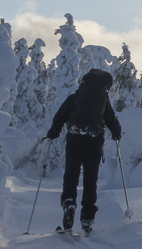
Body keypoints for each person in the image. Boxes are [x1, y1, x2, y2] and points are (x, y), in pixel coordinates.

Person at [45, 69, 122, 234]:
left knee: (71, 176)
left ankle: (69, 204)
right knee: (90, 180)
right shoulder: (103, 100)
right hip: (94, 141)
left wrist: (53, 132)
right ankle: (87, 218)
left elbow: (60, 116)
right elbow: (112, 120)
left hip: (75, 139)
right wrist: (116, 133)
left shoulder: (75, 97)